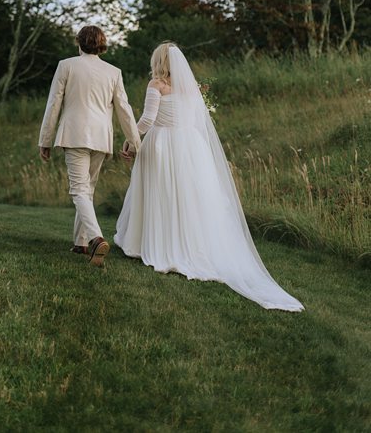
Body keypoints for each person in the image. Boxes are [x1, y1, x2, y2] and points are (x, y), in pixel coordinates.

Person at [114, 42, 304, 311]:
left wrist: (129, 140)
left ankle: (160, 244)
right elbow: (195, 122)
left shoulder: (156, 85)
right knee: (189, 197)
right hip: (191, 147)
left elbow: (146, 121)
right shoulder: (192, 90)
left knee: (164, 195)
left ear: (158, 61)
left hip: (164, 144)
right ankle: (192, 245)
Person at [39, 25, 141, 267]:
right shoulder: (113, 71)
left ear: (79, 43)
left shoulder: (67, 65)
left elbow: (54, 104)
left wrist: (45, 140)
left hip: (75, 135)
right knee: (88, 189)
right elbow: (124, 110)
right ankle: (81, 242)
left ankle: (95, 238)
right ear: (102, 45)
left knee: (78, 190)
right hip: (100, 138)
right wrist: (136, 143)